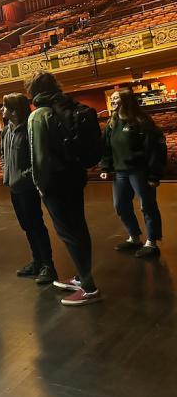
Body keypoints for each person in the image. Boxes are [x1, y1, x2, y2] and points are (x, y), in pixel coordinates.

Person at [26, 71, 101, 306]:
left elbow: (39, 158)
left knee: (69, 233)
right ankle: (82, 276)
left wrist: (39, 186)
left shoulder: (39, 115)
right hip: (75, 176)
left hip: (56, 182)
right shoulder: (64, 107)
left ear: (32, 91)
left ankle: (89, 289)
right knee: (78, 227)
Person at [100, 88, 167, 258]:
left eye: (116, 99)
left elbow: (155, 150)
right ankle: (134, 237)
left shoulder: (141, 122)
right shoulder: (112, 123)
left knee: (147, 206)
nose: (113, 101)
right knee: (120, 205)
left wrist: (154, 175)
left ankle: (152, 242)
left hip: (140, 171)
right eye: (112, 99)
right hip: (120, 172)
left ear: (126, 101)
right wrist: (106, 167)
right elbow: (106, 148)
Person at [1, 93, 56, 284]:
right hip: (13, 187)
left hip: (27, 187)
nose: (2, 110)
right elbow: (4, 155)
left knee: (36, 225)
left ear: (15, 111)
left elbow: (38, 158)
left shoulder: (29, 131)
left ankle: (48, 266)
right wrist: (7, 174)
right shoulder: (6, 131)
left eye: (5, 107)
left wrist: (25, 177)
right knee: (27, 226)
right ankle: (37, 261)